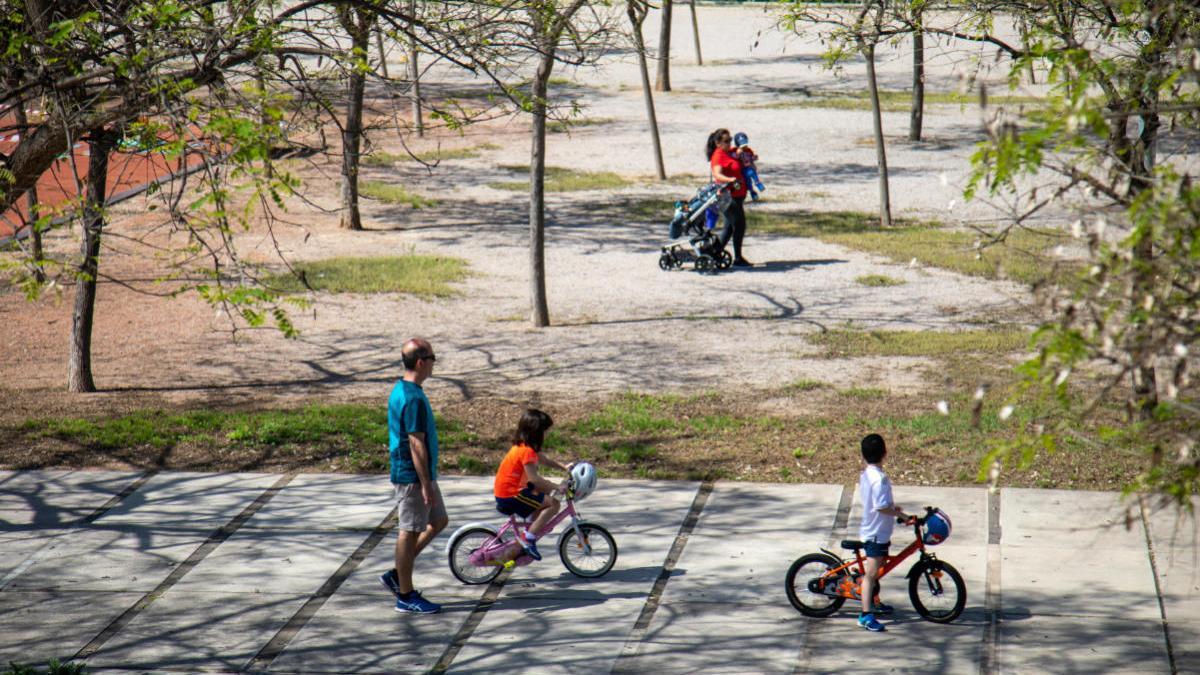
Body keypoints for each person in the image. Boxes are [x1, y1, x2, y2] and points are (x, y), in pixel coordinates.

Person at [379, 338, 448, 614]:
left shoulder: (403, 388)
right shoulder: (412, 398)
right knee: (408, 531)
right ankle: (405, 596)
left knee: (439, 520)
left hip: (421, 475)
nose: (434, 362)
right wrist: (424, 484)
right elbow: (416, 443)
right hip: (412, 477)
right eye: (433, 357)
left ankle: (397, 574)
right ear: (421, 362)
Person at [493, 409, 573, 561]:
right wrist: (557, 487)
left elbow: (545, 460)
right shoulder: (527, 451)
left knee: (543, 500)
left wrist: (564, 467)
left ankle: (530, 529)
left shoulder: (524, 447)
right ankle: (528, 538)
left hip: (509, 491)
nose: (547, 434)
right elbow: (535, 480)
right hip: (511, 494)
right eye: (545, 431)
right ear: (537, 432)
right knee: (553, 504)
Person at [856, 433, 912, 632]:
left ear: (863, 456)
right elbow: (880, 507)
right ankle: (865, 615)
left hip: (877, 530)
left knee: (878, 571)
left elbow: (877, 503)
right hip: (875, 533)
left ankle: (874, 601)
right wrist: (903, 515)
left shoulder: (867, 475)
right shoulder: (879, 479)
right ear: (885, 453)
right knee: (870, 576)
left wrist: (893, 508)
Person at [705, 128, 752, 267]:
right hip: (728, 197)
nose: (729, 143)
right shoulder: (718, 155)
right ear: (718, 143)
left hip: (737, 196)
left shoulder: (728, 152)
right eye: (726, 141)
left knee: (729, 227)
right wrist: (730, 179)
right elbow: (717, 174)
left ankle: (714, 252)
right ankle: (737, 257)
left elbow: (740, 156)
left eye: (730, 140)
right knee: (739, 225)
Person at [733, 132, 766, 201]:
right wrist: (737, 154)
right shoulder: (736, 150)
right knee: (748, 183)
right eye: (742, 145)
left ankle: (758, 184)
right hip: (742, 170)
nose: (744, 147)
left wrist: (754, 158)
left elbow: (752, 157)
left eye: (745, 144)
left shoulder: (748, 150)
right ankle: (752, 193)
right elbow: (734, 158)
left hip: (749, 167)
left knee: (752, 174)